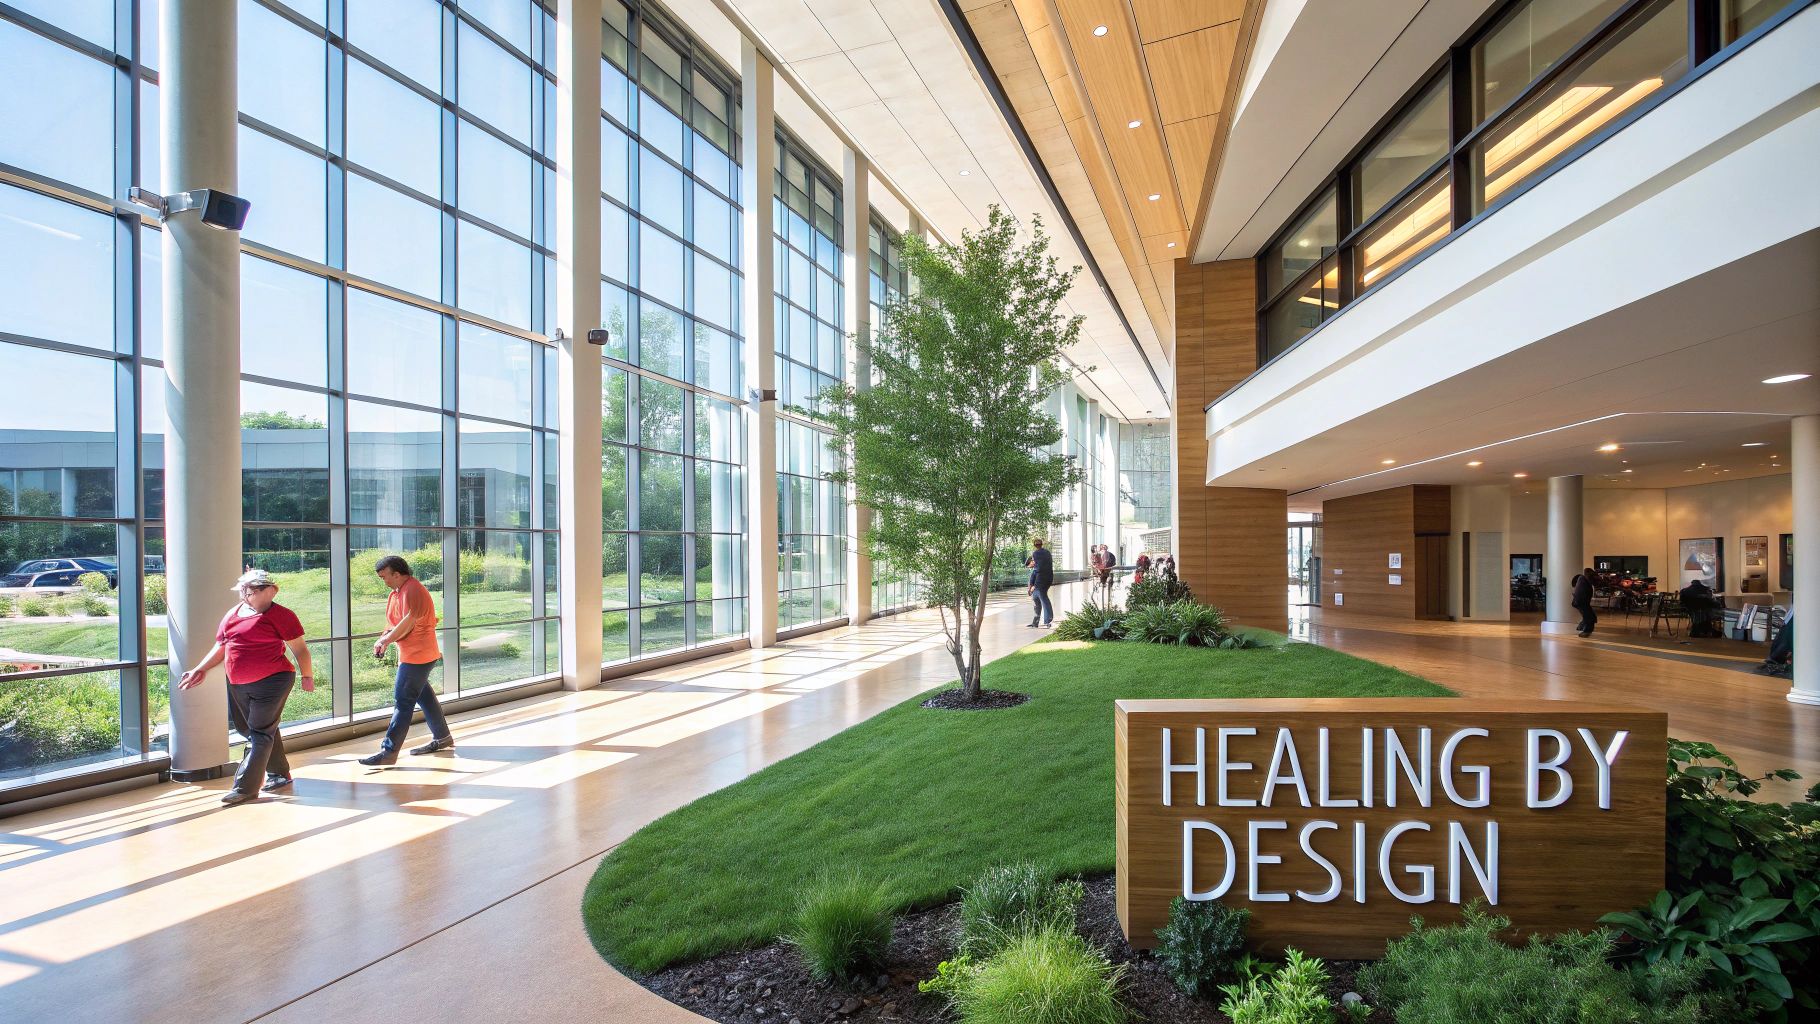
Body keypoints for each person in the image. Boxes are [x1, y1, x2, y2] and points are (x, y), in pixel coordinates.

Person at [179, 568, 314, 805]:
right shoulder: (233, 613)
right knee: (251, 729)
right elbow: (221, 646)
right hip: (238, 683)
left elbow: (300, 648)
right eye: (243, 590)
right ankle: (279, 774)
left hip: (274, 680)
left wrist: (307, 676)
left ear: (270, 591)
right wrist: (200, 668)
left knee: (259, 732)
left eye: (249, 590)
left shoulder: (282, 615)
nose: (244, 594)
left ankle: (245, 788)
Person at [359, 555, 454, 766]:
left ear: (397, 574)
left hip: (418, 656)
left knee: (403, 701)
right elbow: (393, 623)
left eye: (385, 577)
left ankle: (389, 752)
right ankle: (443, 737)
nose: (383, 581)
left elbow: (408, 621)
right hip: (413, 654)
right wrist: (382, 638)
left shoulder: (413, 589)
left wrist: (386, 640)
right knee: (424, 698)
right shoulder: (396, 593)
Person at [1026, 538, 1054, 628]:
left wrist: (1034, 586)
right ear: (1041, 544)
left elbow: (1040, 569)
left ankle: (1048, 620)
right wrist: (1031, 587)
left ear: (1035, 545)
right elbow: (1039, 568)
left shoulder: (1036, 554)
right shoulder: (1047, 553)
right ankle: (1035, 622)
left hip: (1041, 580)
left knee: (1042, 598)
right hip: (1048, 578)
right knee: (1036, 598)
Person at [1570, 568, 1597, 637]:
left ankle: (1585, 629)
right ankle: (1584, 628)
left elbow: (1580, 592)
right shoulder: (1583, 580)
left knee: (1587, 615)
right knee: (1587, 614)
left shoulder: (1582, 579)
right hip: (1582, 601)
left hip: (1581, 601)